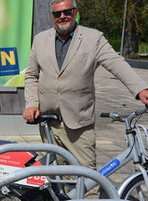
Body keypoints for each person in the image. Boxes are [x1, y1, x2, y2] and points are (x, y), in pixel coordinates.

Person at [23, 0, 148, 197]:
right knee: (57, 177)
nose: (62, 16)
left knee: (88, 180)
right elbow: (31, 75)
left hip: (78, 123)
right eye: (57, 14)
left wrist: (141, 89)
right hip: (48, 120)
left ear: (75, 12)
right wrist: (31, 104)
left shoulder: (93, 38)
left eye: (66, 11)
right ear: (52, 17)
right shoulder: (40, 40)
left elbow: (116, 63)